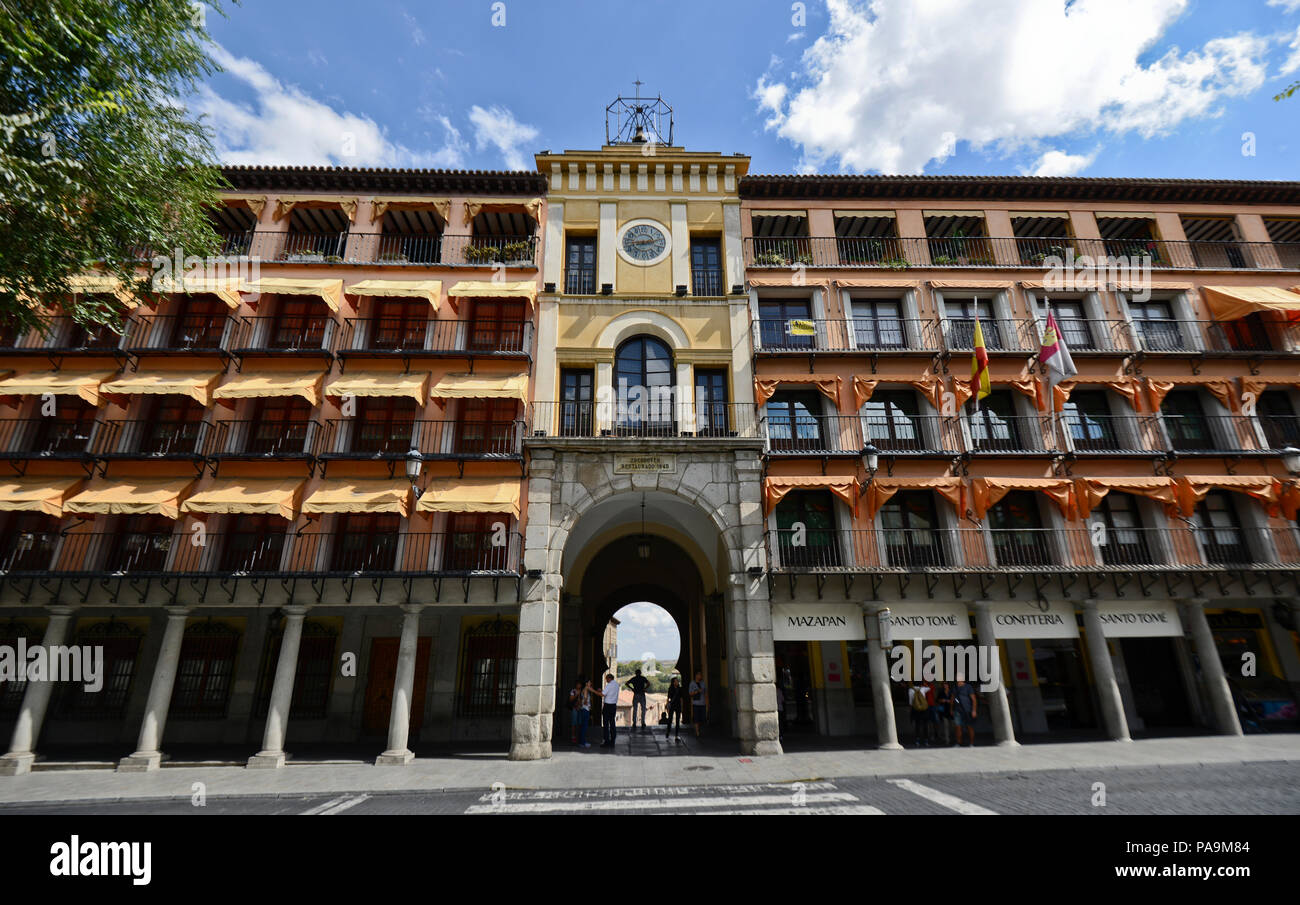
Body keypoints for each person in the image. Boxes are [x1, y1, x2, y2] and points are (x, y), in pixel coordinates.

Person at [952, 675, 977, 747]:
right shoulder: (955, 687)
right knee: (958, 727)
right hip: (957, 710)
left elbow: (974, 699)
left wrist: (974, 710)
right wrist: (951, 709)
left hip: (967, 710)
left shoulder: (968, 687)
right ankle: (958, 743)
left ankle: (971, 743)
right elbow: (952, 698)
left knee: (969, 727)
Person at [570, 675, 593, 748]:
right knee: (580, 725)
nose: (590, 683)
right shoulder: (583, 690)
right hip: (582, 709)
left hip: (582, 709)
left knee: (581, 725)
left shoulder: (583, 690)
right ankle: (580, 741)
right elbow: (584, 701)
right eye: (589, 682)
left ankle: (580, 741)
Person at [907, 680, 931, 747]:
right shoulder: (923, 689)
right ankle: (926, 741)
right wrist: (924, 684)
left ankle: (917, 740)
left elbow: (910, 702)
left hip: (916, 709)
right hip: (924, 709)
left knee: (917, 725)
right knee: (925, 725)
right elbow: (929, 688)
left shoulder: (910, 690)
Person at [600, 672, 620, 747]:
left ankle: (606, 741)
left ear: (609, 678)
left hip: (607, 706)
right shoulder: (617, 684)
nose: (606, 681)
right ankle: (613, 740)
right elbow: (609, 693)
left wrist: (593, 690)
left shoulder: (609, 685)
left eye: (606, 679)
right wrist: (601, 690)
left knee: (605, 724)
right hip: (613, 706)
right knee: (612, 723)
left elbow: (603, 694)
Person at [934, 681, 954, 747]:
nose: (945, 686)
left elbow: (956, 700)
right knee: (946, 726)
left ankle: (954, 739)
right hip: (944, 711)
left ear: (948, 685)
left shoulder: (952, 692)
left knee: (953, 726)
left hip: (952, 710)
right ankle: (947, 740)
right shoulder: (941, 692)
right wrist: (942, 700)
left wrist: (951, 701)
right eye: (944, 685)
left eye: (946, 684)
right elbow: (937, 700)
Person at [689, 670, 707, 737]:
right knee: (696, 718)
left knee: (703, 718)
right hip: (696, 704)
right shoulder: (692, 683)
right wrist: (696, 692)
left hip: (703, 703)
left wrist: (706, 702)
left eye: (701, 675)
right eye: (699, 675)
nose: (700, 676)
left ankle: (699, 729)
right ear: (696, 675)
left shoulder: (703, 683)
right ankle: (697, 732)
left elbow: (705, 693)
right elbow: (690, 693)